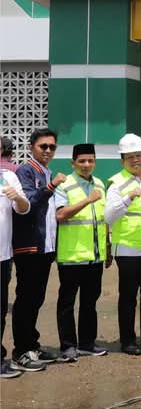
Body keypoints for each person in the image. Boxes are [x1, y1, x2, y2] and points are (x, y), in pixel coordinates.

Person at [11, 128, 66, 370]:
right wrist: (52, 186)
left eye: (52, 147)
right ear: (32, 146)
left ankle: (31, 345)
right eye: (43, 146)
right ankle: (20, 352)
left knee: (36, 298)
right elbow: (28, 204)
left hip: (44, 247)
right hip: (29, 245)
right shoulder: (26, 170)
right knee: (26, 299)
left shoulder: (45, 171)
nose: (48, 151)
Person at [105, 133, 141, 355]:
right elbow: (109, 217)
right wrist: (128, 197)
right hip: (129, 250)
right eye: (130, 157)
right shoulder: (116, 183)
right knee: (129, 296)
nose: (136, 160)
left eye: (138, 155)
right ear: (122, 160)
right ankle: (128, 340)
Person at [54, 144, 110, 361]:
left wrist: (106, 248)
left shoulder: (99, 184)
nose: (87, 165)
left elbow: (102, 219)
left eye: (91, 160)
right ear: (73, 163)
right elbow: (60, 215)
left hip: (94, 256)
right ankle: (68, 346)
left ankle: (87, 343)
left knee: (90, 302)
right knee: (67, 303)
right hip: (71, 256)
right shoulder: (64, 185)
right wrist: (87, 200)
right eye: (82, 161)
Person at [1, 165, 29, 377]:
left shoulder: (7, 177)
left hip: (3, 256)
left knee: (0, 311)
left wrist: (17, 198)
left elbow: (24, 208)